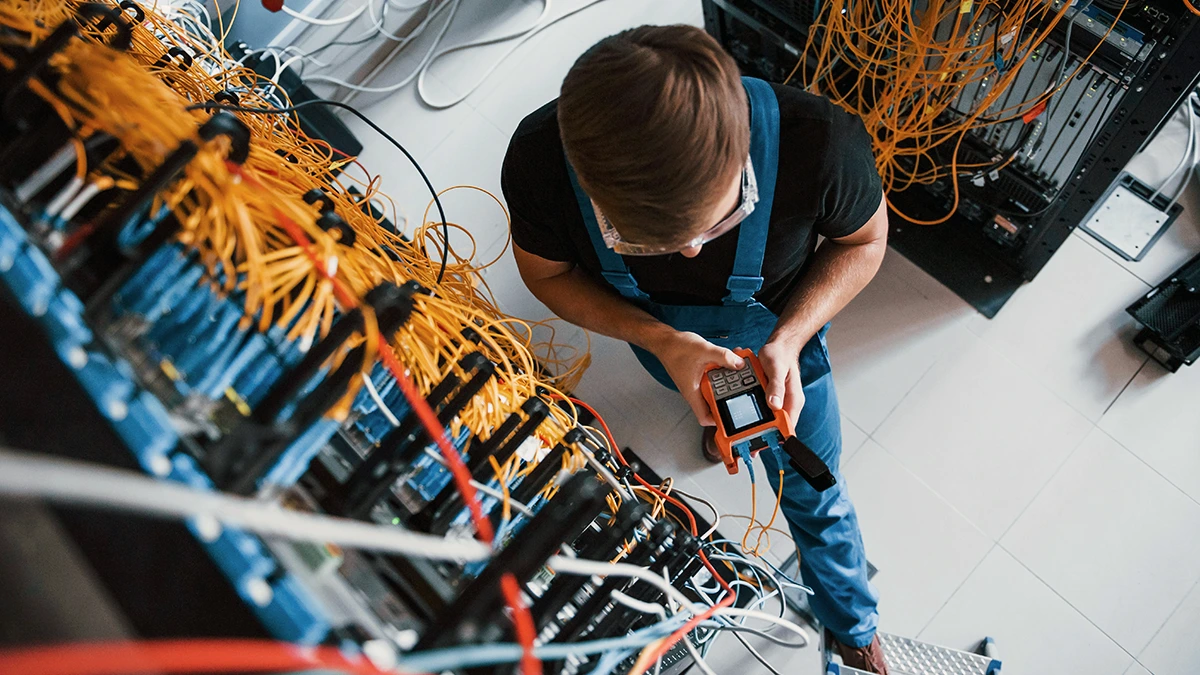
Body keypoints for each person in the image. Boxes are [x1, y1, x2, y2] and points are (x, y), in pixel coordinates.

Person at [500, 24, 890, 674]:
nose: (690, 253)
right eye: (650, 242)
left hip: (784, 338)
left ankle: (854, 624)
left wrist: (790, 339)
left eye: (725, 219)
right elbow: (547, 275)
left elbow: (865, 244)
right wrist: (664, 341)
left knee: (814, 488)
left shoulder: (820, 142)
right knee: (732, 416)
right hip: (660, 341)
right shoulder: (540, 161)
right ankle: (729, 430)